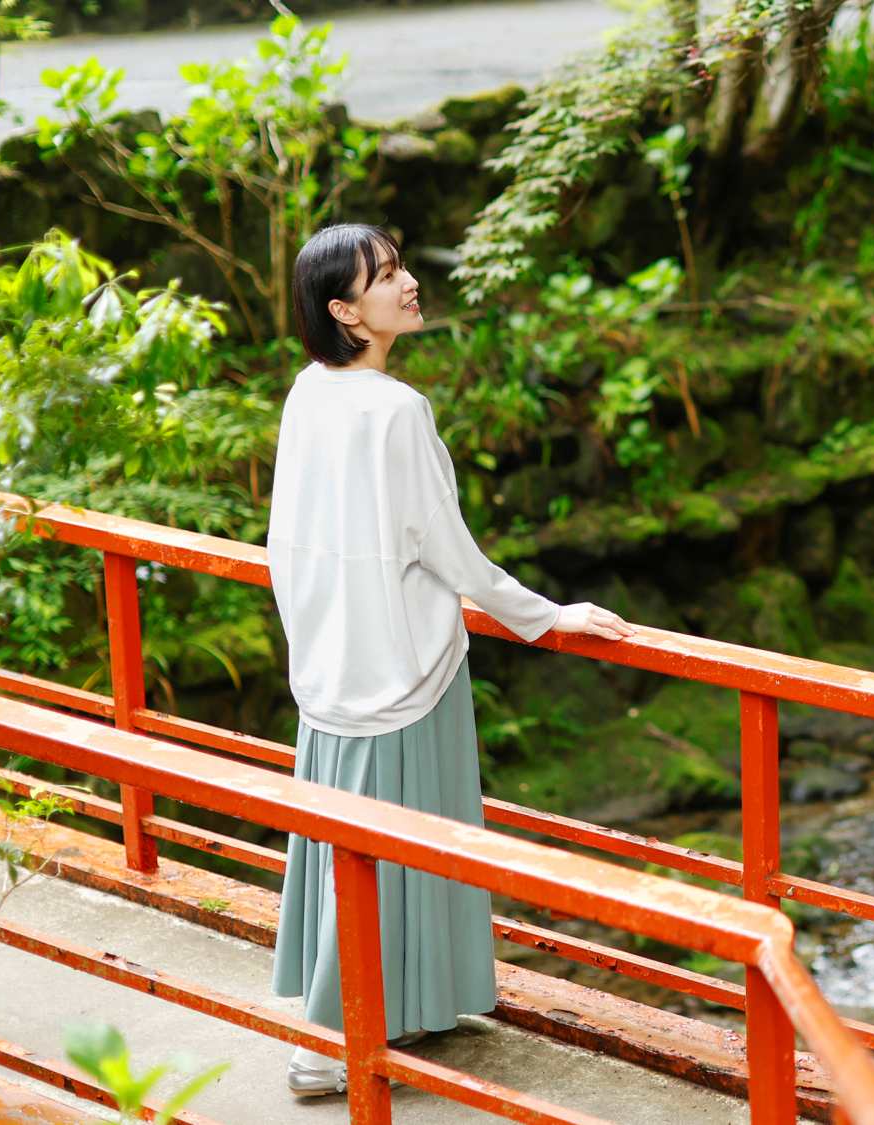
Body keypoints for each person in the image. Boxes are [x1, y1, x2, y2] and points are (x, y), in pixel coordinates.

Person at [266, 223, 636, 1097]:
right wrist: (550, 616)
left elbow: (289, 537)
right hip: (400, 660)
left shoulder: (309, 392)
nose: (408, 285)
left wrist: (312, 634)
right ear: (344, 309)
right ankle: (328, 1042)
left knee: (352, 843)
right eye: (386, 276)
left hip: (334, 659)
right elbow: (451, 553)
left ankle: (394, 1013)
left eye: (399, 268)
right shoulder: (395, 410)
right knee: (399, 839)